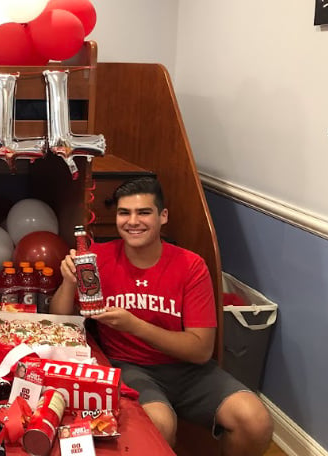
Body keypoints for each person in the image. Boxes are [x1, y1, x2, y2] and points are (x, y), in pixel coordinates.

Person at [49, 177, 273, 456]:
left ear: (162, 216)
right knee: (158, 424)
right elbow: (60, 320)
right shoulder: (97, 257)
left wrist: (135, 326)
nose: (133, 221)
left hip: (190, 371)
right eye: (124, 213)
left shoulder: (190, 266)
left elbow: (201, 350)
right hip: (129, 367)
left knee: (255, 420)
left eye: (144, 212)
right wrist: (68, 281)